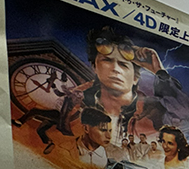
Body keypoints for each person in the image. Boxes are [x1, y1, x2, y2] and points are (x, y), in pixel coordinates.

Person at [44, 26, 165, 156]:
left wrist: (159, 71)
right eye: (107, 60)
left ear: (135, 78)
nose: (115, 69)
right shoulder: (77, 104)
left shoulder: (152, 112)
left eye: (123, 65)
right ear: (95, 67)